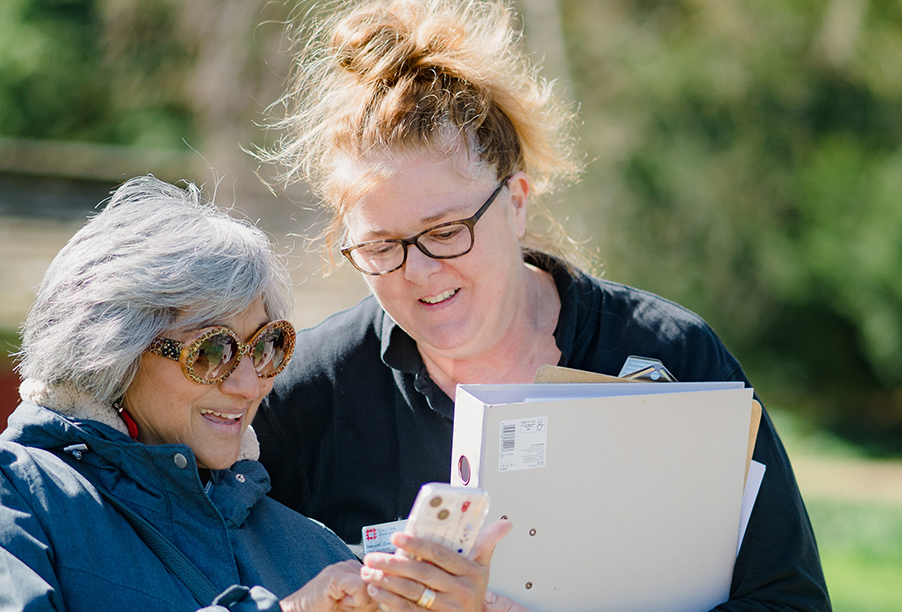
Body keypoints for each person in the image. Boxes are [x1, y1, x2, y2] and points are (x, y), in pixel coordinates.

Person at [256, 1, 831, 610]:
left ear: (518, 201)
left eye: (447, 232)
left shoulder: (667, 357)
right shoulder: (305, 395)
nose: (419, 272)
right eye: (379, 247)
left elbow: (787, 600)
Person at [0, 176, 508, 612]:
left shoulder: (314, 550)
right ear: (114, 353)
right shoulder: (2, 497)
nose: (250, 384)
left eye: (269, 345)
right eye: (214, 351)